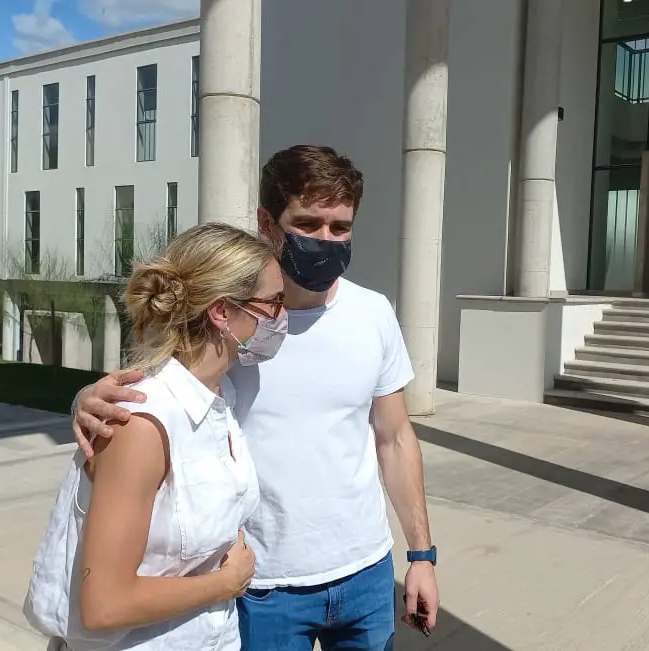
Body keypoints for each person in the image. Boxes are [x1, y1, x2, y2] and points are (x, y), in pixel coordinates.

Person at [71, 145, 440, 650]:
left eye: (340, 227)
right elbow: (153, 388)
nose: (326, 239)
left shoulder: (373, 313)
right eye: (307, 223)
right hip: (261, 585)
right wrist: (86, 399)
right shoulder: (234, 322)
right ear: (268, 222)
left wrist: (421, 556)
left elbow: (394, 438)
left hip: (367, 572)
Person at [24, 222, 288, 650]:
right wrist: (225, 583)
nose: (281, 317)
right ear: (221, 312)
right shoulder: (142, 426)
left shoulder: (223, 395)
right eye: (274, 303)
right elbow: (104, 605)